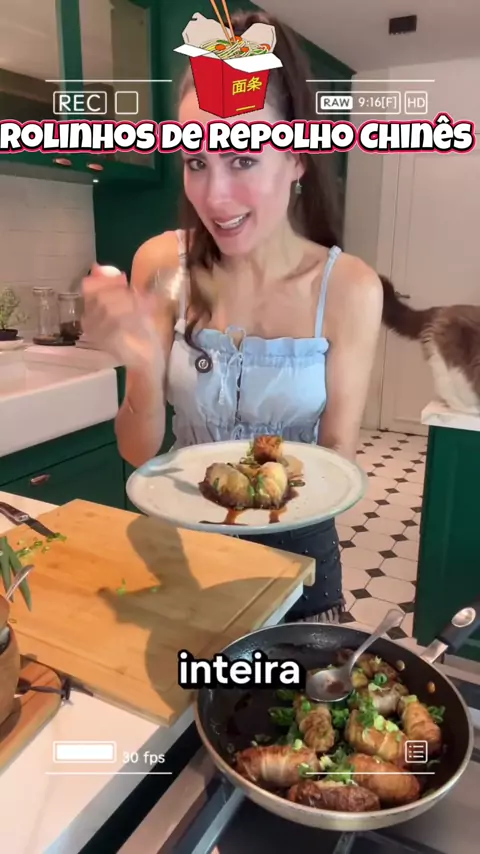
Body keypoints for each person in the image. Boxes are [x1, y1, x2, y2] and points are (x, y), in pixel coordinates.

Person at [81, 10, 383, 623]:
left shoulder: (349, 288)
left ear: (298, 157)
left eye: (242, 158)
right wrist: (141, 365)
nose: (214, 197)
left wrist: (265, 491)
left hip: (300, 563)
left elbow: (338, 454)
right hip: (181, 551)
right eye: (196, 162)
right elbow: (138, 451)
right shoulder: (160, 264)